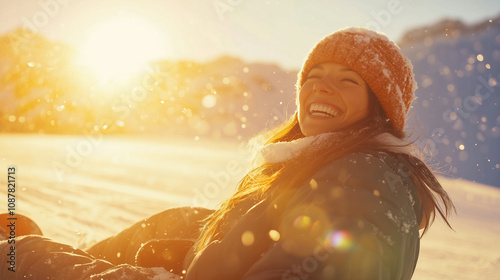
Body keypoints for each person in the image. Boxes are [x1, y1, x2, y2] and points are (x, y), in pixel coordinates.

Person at [0, 27, 454, 280]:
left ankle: (17, 256)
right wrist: (198, 254)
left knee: (31, 258)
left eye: (348, 79)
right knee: (180, 222)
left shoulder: (366, 178)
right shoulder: (335, 163)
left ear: (380, 107)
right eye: (314, 73)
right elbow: (278, 239)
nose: (321, 85)